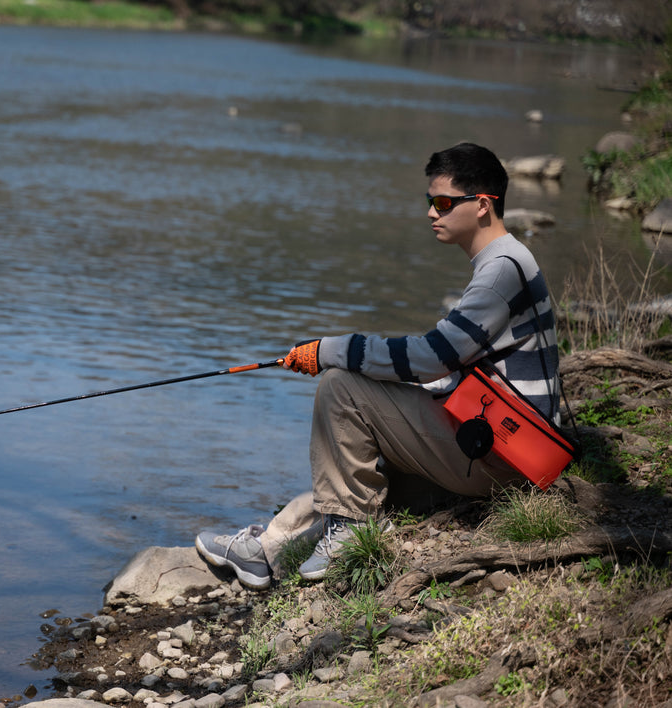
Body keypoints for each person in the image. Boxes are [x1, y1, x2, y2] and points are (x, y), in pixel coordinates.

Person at [195, 142, 560, 591]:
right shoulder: (506, 262)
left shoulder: (502, 270)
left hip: (504, 456)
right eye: (430, 202)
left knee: (340, 388)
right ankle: (266, 549)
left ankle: (347, 536)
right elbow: (457, 365)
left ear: (483, 206)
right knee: (359, 477)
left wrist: (332, 349)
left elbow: (431, 358)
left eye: (443, 203)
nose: (432, 212)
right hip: (499, 447)